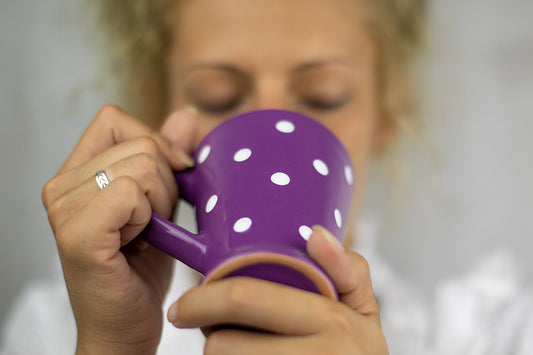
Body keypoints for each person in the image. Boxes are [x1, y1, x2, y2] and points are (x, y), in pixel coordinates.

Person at [2, 0, 532, 354]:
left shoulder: (491, 335)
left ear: (390, 111)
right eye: (219, 96)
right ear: (156, 101)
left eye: (323, 96)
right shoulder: (56, 329)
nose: (273, 122)